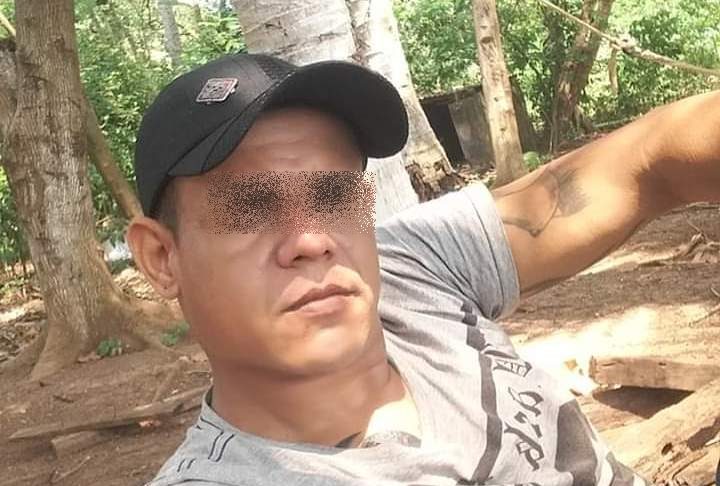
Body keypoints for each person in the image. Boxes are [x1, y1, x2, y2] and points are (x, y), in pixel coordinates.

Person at [126, 52, 720, 486]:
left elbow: (651, 159)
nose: (311, 240)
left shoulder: (408, 267)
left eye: (335, 196)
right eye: (250, 209)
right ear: (161, 258)